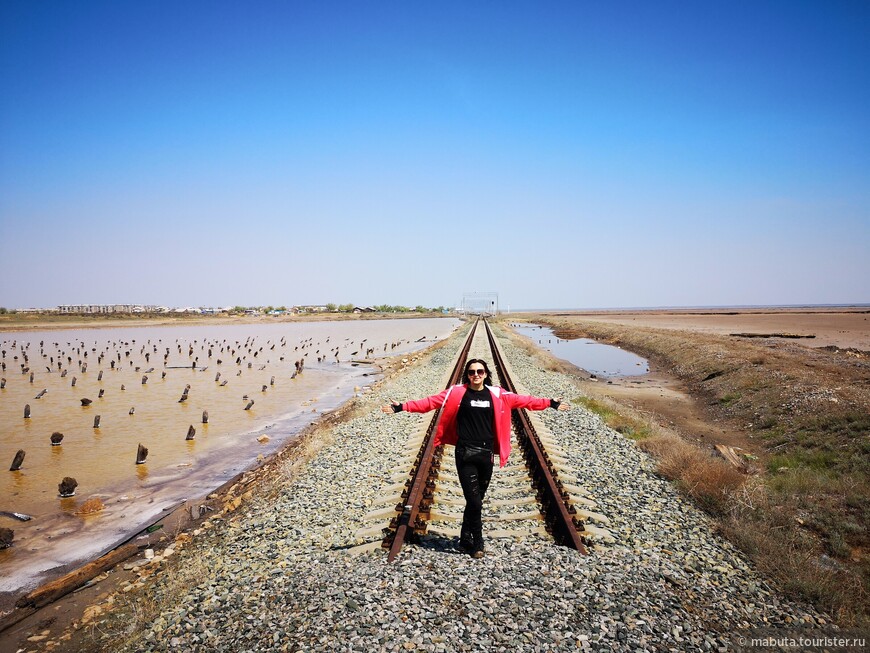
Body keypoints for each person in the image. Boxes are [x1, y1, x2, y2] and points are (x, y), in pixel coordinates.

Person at [381, 358, 570, 558]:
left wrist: (550, 403)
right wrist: (401, 407)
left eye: (480, 371)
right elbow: (429, 403)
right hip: (465, 453)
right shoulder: (456, 393)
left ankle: (464, 537)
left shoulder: (498, 395)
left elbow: (526, 401)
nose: (476, 375)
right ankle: (478, 543)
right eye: (472, 372)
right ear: (467, 375)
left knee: (475, 500)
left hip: (486, 454)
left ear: (486, 374)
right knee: (475, 502)